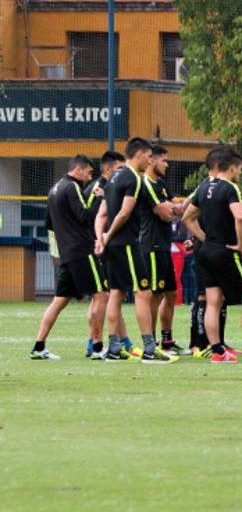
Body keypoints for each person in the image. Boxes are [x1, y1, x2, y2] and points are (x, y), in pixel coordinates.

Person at [182, 150, 242, 364]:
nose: (239, 173)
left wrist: (206, 239)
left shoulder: (204, 187)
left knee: (213, 302)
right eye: (239, 169)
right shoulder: (230, 188)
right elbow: (240, 218)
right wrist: (240, 245)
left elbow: (187, 218)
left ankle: (217, 352)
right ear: (232, 167)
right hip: (226, 252)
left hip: (206, 252)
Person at [95, 137, 178, 364]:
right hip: (126, 245)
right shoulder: (134, 178)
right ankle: (150, 349)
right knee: (144, 293)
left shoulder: (113, 178)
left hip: (112, 246)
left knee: (116, 294)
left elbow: (102, 213)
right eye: (149, 157)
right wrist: (109, 235)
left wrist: (101, 238)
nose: (150, 161)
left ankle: (114, 348)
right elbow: (124, 213)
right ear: (140, 154)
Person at [30, 155, 108, 360]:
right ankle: (98, 348)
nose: (90, 177)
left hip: (67, 253)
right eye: (89, 172)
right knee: (101, 294)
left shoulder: (54, 189)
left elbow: (49, 223)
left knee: (59, 301)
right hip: (81, 251)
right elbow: (85, 216)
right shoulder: (72, 187)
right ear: (79, 169)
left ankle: (38, 347)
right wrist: (99, 198)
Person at [182, 148, 228, 357]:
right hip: (207, 249)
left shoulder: (218, 186)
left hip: (214, 248)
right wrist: (200, 238)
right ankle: (198, 343)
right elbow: (185, 211)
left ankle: (218, 342)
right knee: (204, 295)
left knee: (218, 296)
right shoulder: (205, 187)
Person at [142, 145, 184, 354]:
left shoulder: (161, 184)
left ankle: (166, 341)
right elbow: (167, 214)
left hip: (163, 245)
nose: (167, 165)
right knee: (155, 294)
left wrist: (174, 207)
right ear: (152, 160)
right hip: (152, 245)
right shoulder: (146, 183)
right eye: (164, 160)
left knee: (171, 293)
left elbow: (179, 209)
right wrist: (173, 208)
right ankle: (151, 342)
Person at [81, 150, 124, 357]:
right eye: (119, 169)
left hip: (104, 246)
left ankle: (95, 342)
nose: (122, 173)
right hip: (98, 248)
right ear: (107, 169)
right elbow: (88, 217)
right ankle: (94, 343)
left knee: (103, 297)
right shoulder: (98, 188)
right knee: (103, 296)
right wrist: (97, 241)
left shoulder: (110, 188)